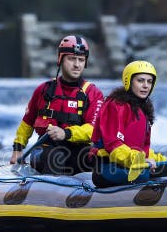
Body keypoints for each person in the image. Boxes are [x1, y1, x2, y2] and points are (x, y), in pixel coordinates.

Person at [9, 35, 104, 175]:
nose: (77, 65)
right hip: (46, 149)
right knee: (55, 157)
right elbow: (27, 123)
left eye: (81, 60)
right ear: (60, 59)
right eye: (72, 59)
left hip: (77, 150)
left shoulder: (93, 93)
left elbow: (92, 129)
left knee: (98, 158)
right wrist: (17, 150)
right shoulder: (43, 90)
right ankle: (51, 192)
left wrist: (65, 133)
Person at [89, 60, 167, 187]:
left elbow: (144, 150)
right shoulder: (115, 105)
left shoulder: (143, 111)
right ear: (129, 81)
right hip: (107, 169)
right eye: (140, 80)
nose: (146, 85)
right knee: (143, 174)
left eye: (149, 81)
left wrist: (165, 161)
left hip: (134, 166)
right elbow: (114, 146)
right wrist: (139, 160)